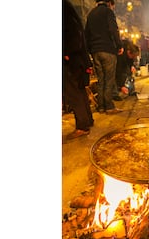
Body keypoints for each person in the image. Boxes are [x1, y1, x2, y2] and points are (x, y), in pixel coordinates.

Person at [85, 0, 124, 115]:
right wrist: (119, 45)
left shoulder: (91, 14)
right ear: (109, 3)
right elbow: (113, 29)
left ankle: (101, 106)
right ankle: (109, 106)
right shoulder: (108, 12)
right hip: (107, 50)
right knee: (109, 79)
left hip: (95, 51)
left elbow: (86, 34)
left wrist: (90, 50)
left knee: (101, 80)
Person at [63, 0, 94, 139]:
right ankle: (87, 120)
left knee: (73, 93)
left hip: (73, 61)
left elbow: (73, 41)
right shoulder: (74, 19)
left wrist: (66, 54)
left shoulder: (67, 20)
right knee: (80, 90)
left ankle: (82, 126)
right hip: (79, 60)